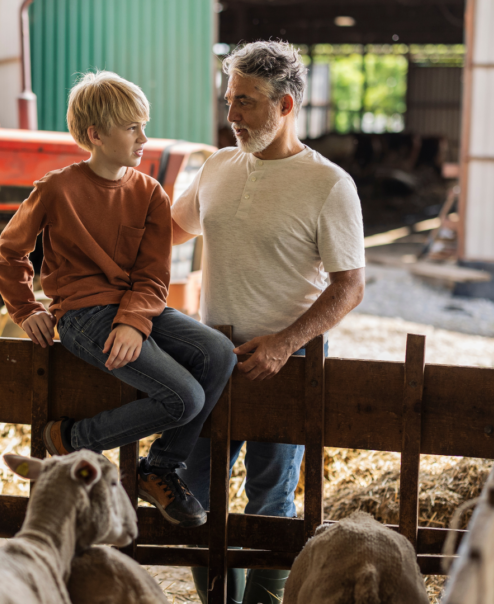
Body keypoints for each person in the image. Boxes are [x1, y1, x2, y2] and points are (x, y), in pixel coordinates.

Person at [0, 71, 237, 529]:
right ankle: (74, 439)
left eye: (144, 127)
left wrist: (133, 321)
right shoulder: (55, 189)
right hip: (83, 315)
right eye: (132, 128)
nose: (143, 138)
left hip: (138, 309)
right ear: (96, 135)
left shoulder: (149, 194)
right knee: (184, 398)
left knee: (219, 352)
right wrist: (25, 309)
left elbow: (153, 275)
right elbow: (10, 252)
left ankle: (159, 468)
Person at [171, 42, 366, 603]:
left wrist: (284, 343)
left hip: (286, 362)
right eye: (230, 99)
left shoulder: (329, 184)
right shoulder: (217, 167)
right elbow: (167, 231)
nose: (232, 114)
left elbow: (349, 287)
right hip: (211, 356)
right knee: (191, 491)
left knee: (269, 501)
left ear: (285, 105)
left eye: (247, 102)